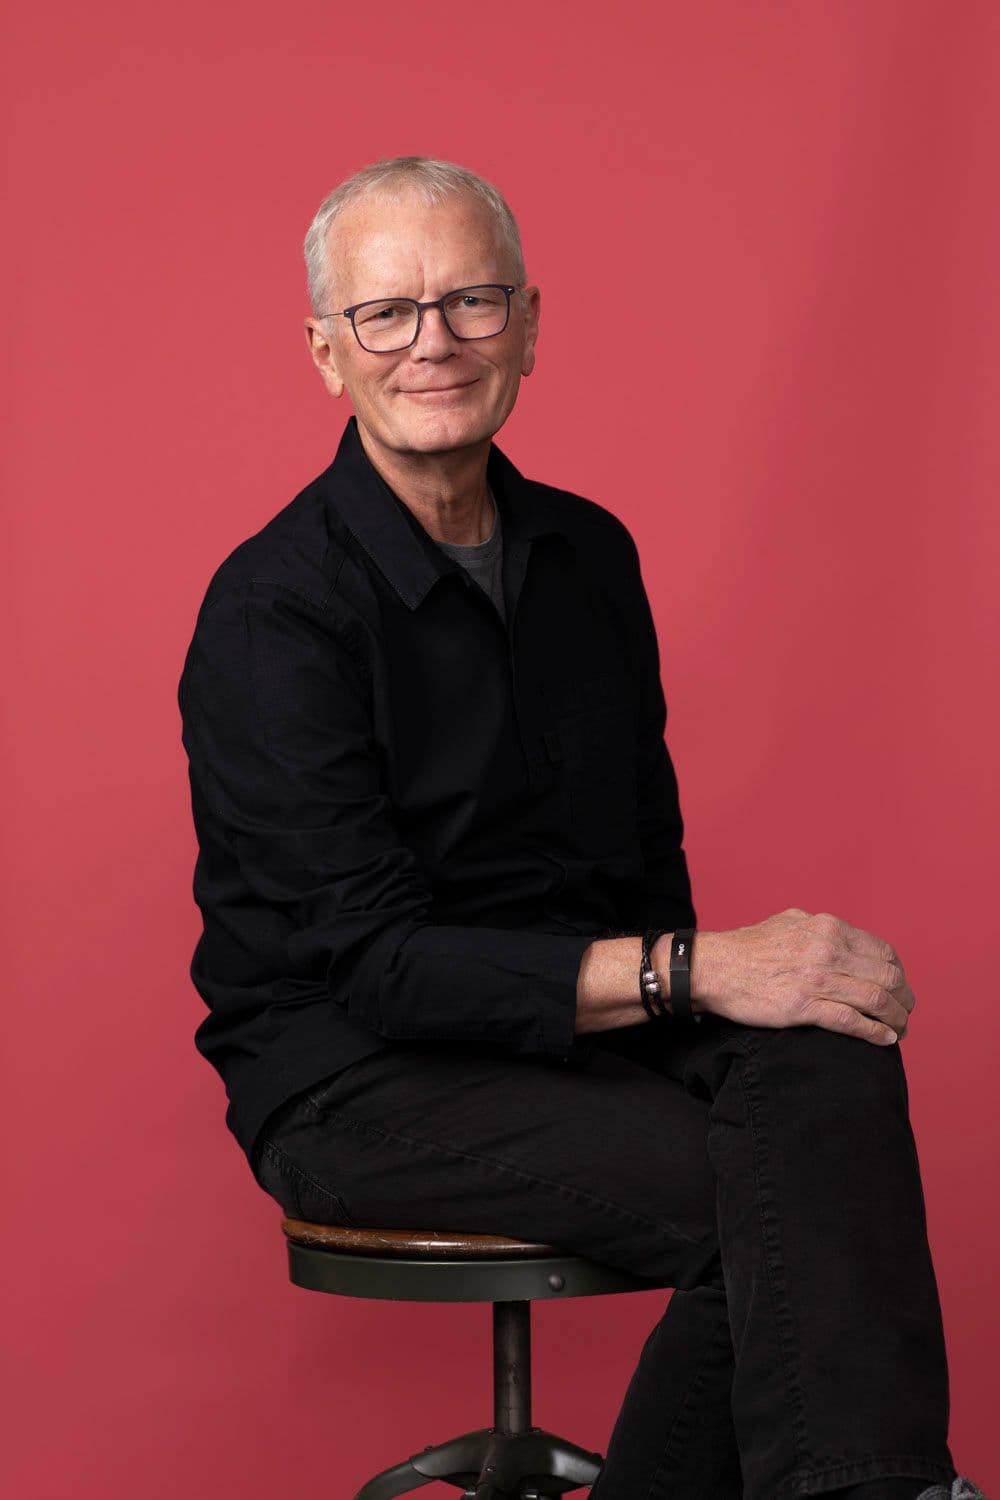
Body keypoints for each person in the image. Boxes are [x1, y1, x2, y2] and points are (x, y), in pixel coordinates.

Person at [177, 156, 984, 1500]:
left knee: (827, 1073)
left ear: (530, 327)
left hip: (580, 1042)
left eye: (472, 303)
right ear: (329, 355)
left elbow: (637, 861)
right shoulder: (275, 613)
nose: (434, 343)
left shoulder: (588, 555)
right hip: (356, 1074)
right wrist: (693, 970)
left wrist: (750, 994)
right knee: (784, 1201)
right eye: (388, 314)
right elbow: (376, 965)